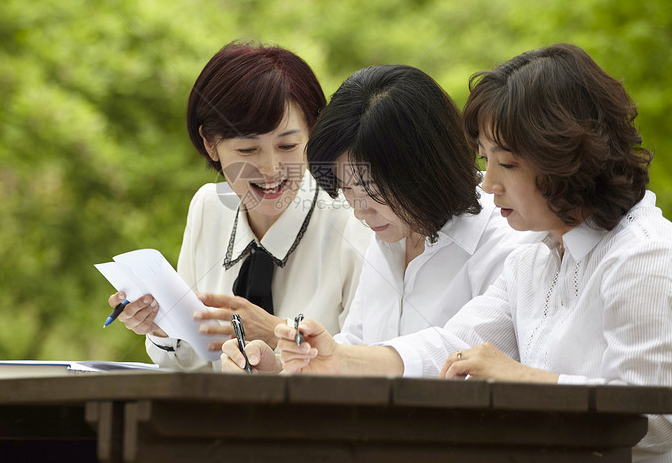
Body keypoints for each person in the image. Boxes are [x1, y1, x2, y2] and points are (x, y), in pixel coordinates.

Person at [225, 44, 672, 463]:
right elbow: (457, 343)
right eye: (486, 160)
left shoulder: (647, 258)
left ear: (567, 159)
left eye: (507, 163)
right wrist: (337, 359)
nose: (488, 184)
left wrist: (526, 382)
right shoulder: (541, 259)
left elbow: (657, 421)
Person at [221, 64, 530, 368]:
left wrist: (341, 358)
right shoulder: (392, 233)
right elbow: (356, 344)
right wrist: (277, 366)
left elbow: (459, 355)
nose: (359, 210)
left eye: (370, 189)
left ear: (423, 166)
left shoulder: (508, 240)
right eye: (346, 189)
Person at [108, 41, 371, 371]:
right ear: (210, 143)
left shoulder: (354, 217)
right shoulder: (208, 208)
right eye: (248, 150)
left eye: (288, 145)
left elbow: (370, 362)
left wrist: (276, 333)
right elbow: (196, 364)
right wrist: (161, 327)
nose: (272, 169)